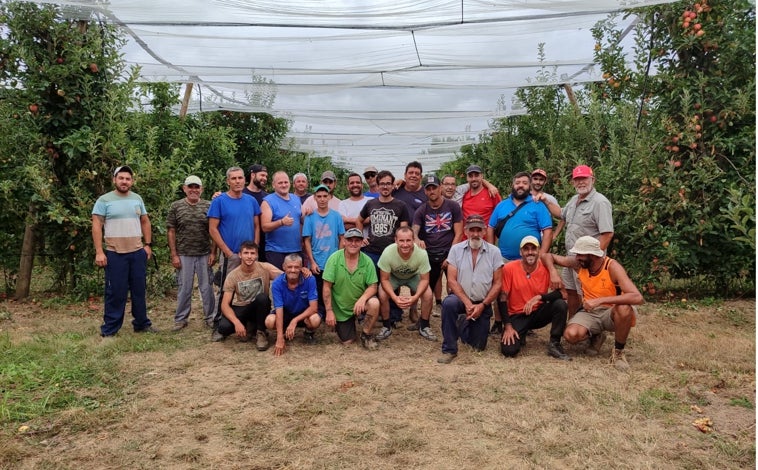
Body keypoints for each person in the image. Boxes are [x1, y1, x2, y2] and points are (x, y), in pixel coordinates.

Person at [543, 236, 643, 371]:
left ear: (593, 255)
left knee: (624, 308)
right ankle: (596, 336)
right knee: (570, 335)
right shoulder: (578, 264)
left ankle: (618, 353)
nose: (577, 257)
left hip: (612, 312)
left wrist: (601, 300)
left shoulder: (612, 267)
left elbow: (637, 297)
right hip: (590, 311)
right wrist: (553, 271)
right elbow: (547, 256)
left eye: (580, 254)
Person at [92, 165, 156, 337]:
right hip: (115, 253)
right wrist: (99, 251)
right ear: (114, 180)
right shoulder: (104, 200)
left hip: (136, 253)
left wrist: (147, 245)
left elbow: (145, 222)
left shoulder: (137, 199)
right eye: (121, 178)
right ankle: (110, 329)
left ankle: (141, 324)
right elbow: (96, 224)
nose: (124, 181)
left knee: (139, 290)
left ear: (132, 181)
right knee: (116, 292)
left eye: (128, 179)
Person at [486, 171, 553, 335]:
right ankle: (499, 321)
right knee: (499, 289)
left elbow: (547, 230)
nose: (520, 185)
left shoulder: (538, 206)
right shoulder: (502, 205)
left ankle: (525, 320)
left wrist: (542, 254)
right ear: (513, 185)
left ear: (529, 185)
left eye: (524, 182)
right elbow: (490, 227)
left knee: (526, 291)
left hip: (529, 258)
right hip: (504, 257)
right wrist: (491, 250)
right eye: (517, 183)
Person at [437, 215, 503, 364]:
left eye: (478, 230)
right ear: (466, 231)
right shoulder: (456, 249)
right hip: (461, 299)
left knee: (478, 346)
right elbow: (452, 280)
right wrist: (467, 303)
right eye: (471, 230)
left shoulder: (494, 252)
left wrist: (483, 305)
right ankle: (449, 349)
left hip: (482, 302)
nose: (475, 234)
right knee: (448, 304)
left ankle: (463, 323)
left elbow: (498, 283)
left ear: (484, 231)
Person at [553, 165, 614, 316]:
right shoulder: (574, 200)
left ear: (592, 179)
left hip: (587, 261)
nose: (581, 182)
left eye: (584, 179)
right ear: (573, 182)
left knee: (587, 295)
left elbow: (607, 234)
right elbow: (561, 214)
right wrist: (544, 200)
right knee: (572, 291)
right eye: (577, 179)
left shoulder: (600, 202)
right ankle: (574, 322)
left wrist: (593, 259)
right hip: (571, 258)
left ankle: (591, 331)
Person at [498, 236, 570, 360]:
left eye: (533, 248)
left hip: (537, 312)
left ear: (538, 251)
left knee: (560, 304)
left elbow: (562, 294)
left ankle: (555, 343)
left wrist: (539, 297)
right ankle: (521, 333)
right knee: (509, 351)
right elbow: (502, 298)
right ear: (520, 252)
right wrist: (508, 326)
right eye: (526, 249)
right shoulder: (510, 268)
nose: (530, 252)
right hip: (517, 314)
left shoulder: (546, 268)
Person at [357, 170, 411, 325]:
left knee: (391, 284)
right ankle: (366, 312)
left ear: (393, 185)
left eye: (388, 183)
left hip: (391, 252)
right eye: (382, 184)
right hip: (372, 250)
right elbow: (359, 220)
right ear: (377, 185)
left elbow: (404, 229)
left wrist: (400, 245)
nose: (385, 186)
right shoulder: (371, 204)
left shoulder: (400, 205)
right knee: (369, 282)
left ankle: (394, 315)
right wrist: (361, 239)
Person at [208, 166, 261, 314]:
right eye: (234, 178)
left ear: (245, 179)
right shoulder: (219, 201)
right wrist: (227, 251)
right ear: (228, 181)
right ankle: (219, 322)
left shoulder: (251, 201)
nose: (237, 181)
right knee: (226, 289)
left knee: (251, 288)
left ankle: (247, 322)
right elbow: (213, 229)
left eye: (240, 178)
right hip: (230, 254)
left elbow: (257, 226)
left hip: (249, 255)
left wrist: (255, 249)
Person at [167, 175, 215, 331]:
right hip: (184, 254)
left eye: (197, 187)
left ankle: (210, 317)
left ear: (201, 189)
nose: (194, 190)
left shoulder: (209, 205)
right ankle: (181, 319)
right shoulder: (176, 206)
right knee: (184, 287)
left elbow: (214, 231)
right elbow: (171, 231)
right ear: (184, 188)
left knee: (206, 288)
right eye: (190, 187)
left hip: (204, 253)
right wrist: (174, 254)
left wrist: (214, 253)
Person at [213, 241, 282, 351]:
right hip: (242, 307)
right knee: (223, 328)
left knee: (263, 298)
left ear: (257, 255)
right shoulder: (233, 275)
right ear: (240, 255)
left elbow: (286, 276)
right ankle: (249, 326)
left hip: (260, 307)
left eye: (252, 253)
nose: (249, 256)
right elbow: (225, 305)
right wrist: (237, 323)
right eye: (246, 253)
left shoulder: (264, 268)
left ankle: (261, 333)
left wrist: (302, 270)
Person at [322, 228, 382, 350]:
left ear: (362, 242)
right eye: (350, 240)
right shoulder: (333, 259)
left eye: (357, 240)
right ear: (344, 241)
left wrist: (363, 299)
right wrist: (329, 311)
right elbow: (326, 287)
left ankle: (366, 334)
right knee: (348, 342)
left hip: (359, 303)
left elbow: (373, 286)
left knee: (374, 303)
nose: (353, 244)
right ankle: (345, 324)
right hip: (341, 308)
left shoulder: (367, 261)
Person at [412, 174, 463, 319]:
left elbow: (458, 233)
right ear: (425, 191)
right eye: (428, 189)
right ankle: (423, 320)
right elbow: (414, 231)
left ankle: (457, 316)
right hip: (430, 253)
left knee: (455, 285)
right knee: (427, 288)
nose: (432, 191)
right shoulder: (421, 210)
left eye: (434, 187)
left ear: (440, 188)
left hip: (450, 251)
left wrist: (451, 256)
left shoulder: (452, 206)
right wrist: (417, 239)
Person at [376, 226, 435, 341]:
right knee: (382, 293)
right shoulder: (388, 252)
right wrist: (395, 297)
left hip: (413, 276)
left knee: (428, 294)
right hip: (394, 277)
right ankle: (386, 326)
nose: (405, 244)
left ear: (413, 240)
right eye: (401, 240)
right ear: (396, 240)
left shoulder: (422, 253)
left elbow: (424, 280)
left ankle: (424, 325)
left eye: (408, 240)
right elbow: (384, 280)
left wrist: (415, 297)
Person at [303, 184, 345, 318]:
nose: (322, 199)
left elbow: (342, 238)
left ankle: (334, 312)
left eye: (325, 196)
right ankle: (319, 313)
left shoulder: (336, 216)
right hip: (317, 261)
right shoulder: (310, 217)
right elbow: (307, 240)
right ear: (314, 198)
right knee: (317, 288)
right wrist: (312, 262)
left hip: (332, 260)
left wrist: (339, 258)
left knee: (334, 288)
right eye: (319, 196)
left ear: (329, 197)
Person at [265, 254, 321, 356]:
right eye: (290, 267)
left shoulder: (309, 279)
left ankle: (308, 333)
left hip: (303, 314)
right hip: (286, 313)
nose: (293, 270)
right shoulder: (277, 283)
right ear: (284, 267)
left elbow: (313, 307)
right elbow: (279, 309)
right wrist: (279, 338)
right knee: (269, 321)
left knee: (315, 319)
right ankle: (283, 333)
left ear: (301, 268)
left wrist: (294, 321)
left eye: (296, 267)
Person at [260, 171, 303, 269]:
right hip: (276, 251)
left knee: (295, 281)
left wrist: (308, 214)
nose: (284, 185)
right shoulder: (268, 201)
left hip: (296, 249)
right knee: (279, 281)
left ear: (290, 183)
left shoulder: (296, 198)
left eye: (286, 182)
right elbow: (264, 227)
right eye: (280, 183)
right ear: (273, 185)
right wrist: (281, 222)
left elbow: (301, 220)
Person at [244, 164, 269, 261]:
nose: (265, 178)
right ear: (253, 175)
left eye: (266, 176)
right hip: (247, 241)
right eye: (262, 175)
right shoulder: (241, 194)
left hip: (265, 244)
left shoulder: (268, 197)